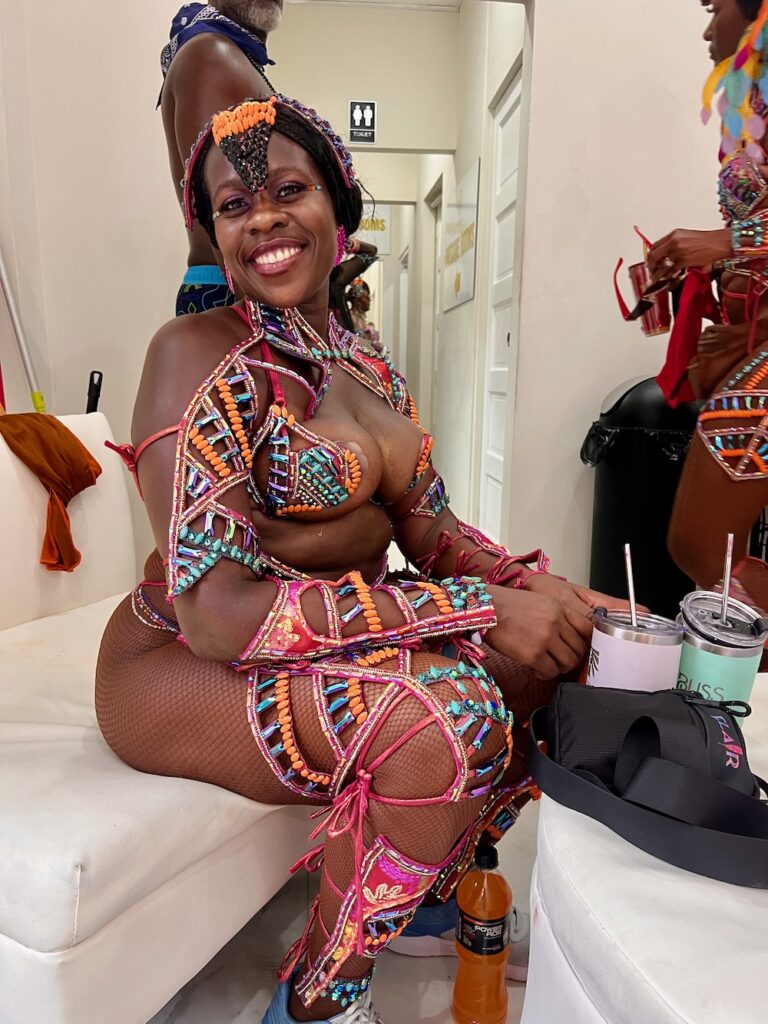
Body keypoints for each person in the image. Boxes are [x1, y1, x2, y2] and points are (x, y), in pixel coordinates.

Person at [97, 95, 625, 1024]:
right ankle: (320, 997)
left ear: (338, 209)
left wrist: (545, 590)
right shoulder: (194, 353)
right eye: (233, 206)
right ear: (215, 236)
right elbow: (216, 614)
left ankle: (412, 885)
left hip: (321, 644)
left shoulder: (369, 368)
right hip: (179, 662)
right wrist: (473, 609)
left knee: (563, 654)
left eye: (288, 189)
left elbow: (434, 533)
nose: (262, 215)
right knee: (449, 714)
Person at [647, 0, 768, 609]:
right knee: (709, 549)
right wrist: (710, 261)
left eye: (713, 6)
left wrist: (730, 241)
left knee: (702, 544)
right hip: (754, 335)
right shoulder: (754, 98)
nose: (705, 26)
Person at [160, 1, 284, 316]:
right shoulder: (213, 55)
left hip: (237, 291)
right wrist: (271, 325)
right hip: (238, 295)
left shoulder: (227, 55)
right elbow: (227, 207)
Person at [329, 239, 378, 334]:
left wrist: (344, 241)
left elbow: (371, 252)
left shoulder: (336, 277)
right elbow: (371, 252)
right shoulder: (337, 279)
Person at [346, 278, 382, 352]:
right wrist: (371, 343)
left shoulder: (362, 318)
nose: (369, 300)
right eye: (366, 297)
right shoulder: (350, 318)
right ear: (357, 300)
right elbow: (350, 340)